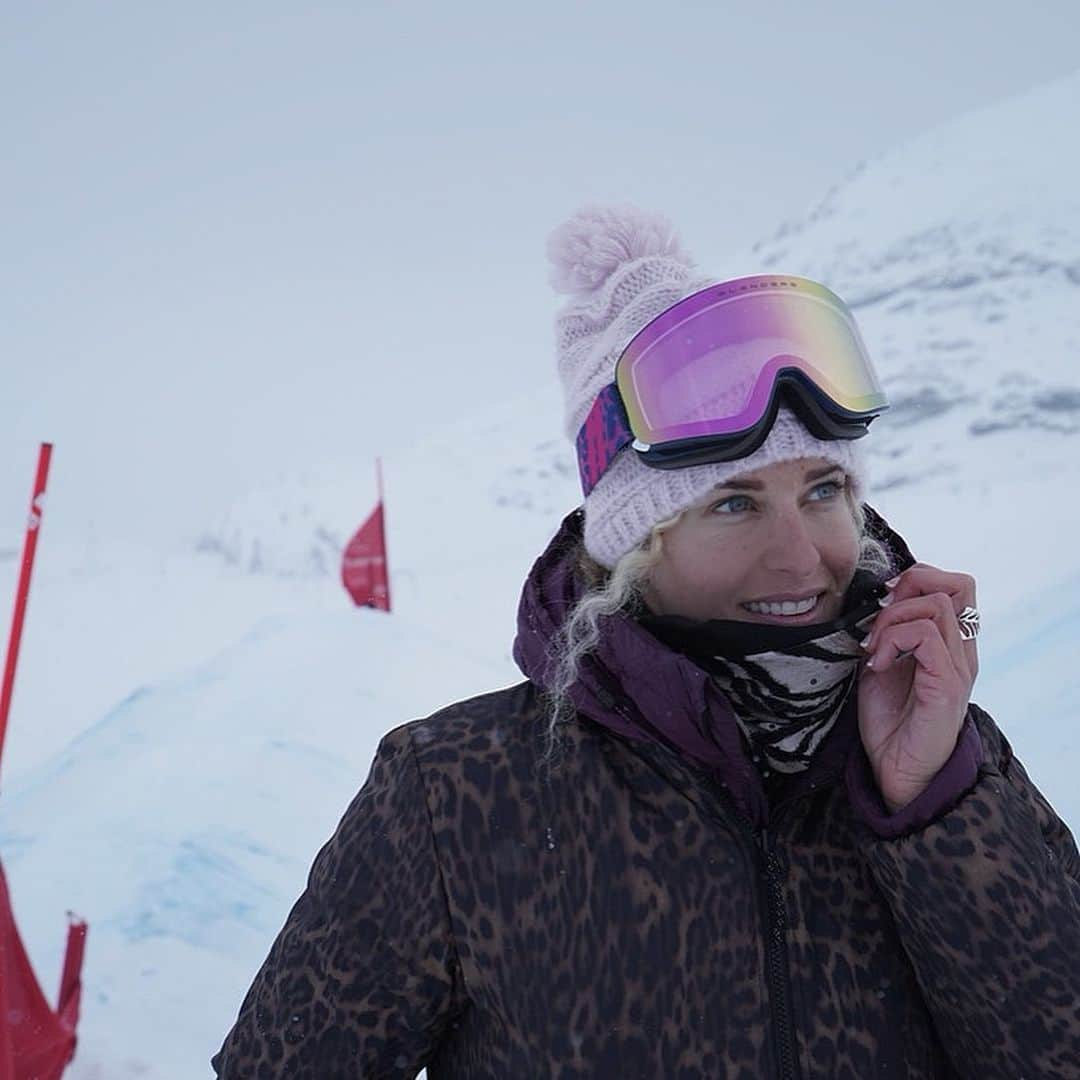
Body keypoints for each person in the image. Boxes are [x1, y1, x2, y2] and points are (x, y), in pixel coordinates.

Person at [212, 205, 1080, 1078]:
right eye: (733, 504)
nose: (801, 555)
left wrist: (933, 801)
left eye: (822, 491)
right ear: (634, 545)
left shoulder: (946, 761)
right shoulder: (454, 792)